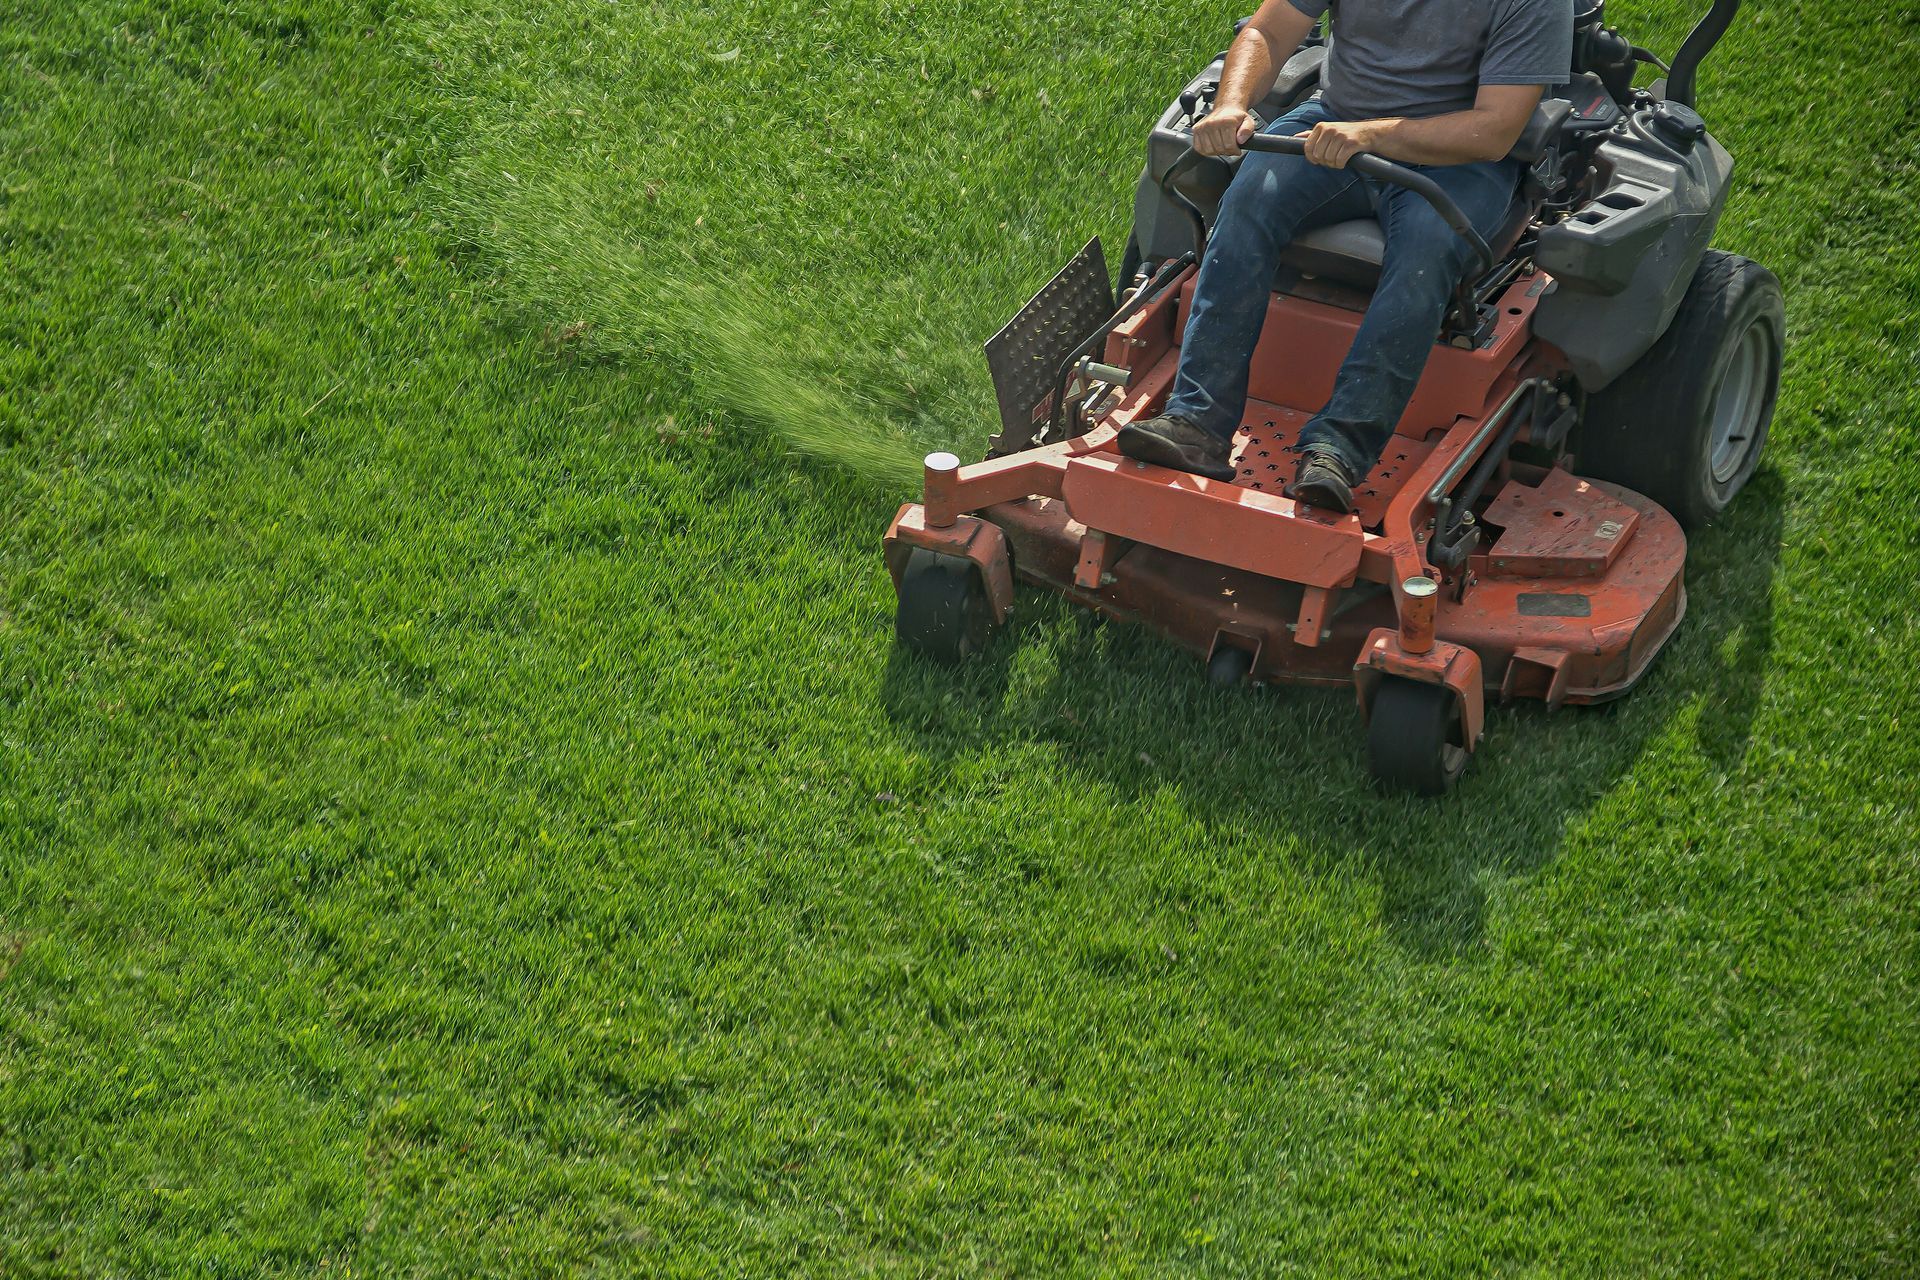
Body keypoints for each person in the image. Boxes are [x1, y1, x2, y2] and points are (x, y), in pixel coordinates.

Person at [1117, 0, 1573, 512]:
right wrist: (1232, 103)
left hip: (1458, 160)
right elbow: (1268, 32)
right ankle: (1197, 421)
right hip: (1333, 123)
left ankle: (1338, 450)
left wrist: (1370, 135)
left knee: (1427, 251)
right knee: (1247, 199)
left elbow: (1494, 130)